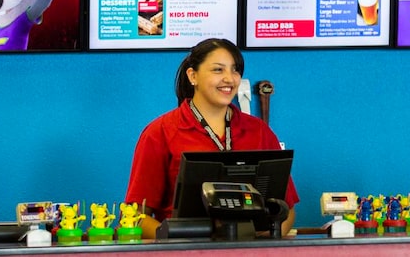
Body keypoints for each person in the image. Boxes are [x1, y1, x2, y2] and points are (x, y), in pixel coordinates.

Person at [124, 38, 299, 239]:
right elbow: (136, 216)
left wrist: (259, 244)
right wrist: (173, 242)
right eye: (218, 70)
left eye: (235, 70)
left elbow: (287, 209)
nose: (229, 78)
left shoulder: (259, 130)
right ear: (193, 76)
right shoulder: (160, 132)